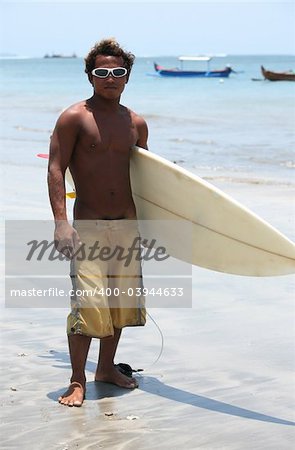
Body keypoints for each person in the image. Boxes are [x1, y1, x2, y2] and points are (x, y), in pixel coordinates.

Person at [47, 38, 148, 407]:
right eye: (102, 72)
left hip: (127, 227)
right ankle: (77, 380)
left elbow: (148, 180)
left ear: (127, 77)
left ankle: (105, 369)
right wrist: (61, 222)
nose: (110, 78)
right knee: (89, 305)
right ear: (90, 76)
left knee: (118, 305)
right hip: (87, 227)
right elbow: (55, 168)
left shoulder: (136, 123)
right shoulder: (74, 117)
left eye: (117, 72)